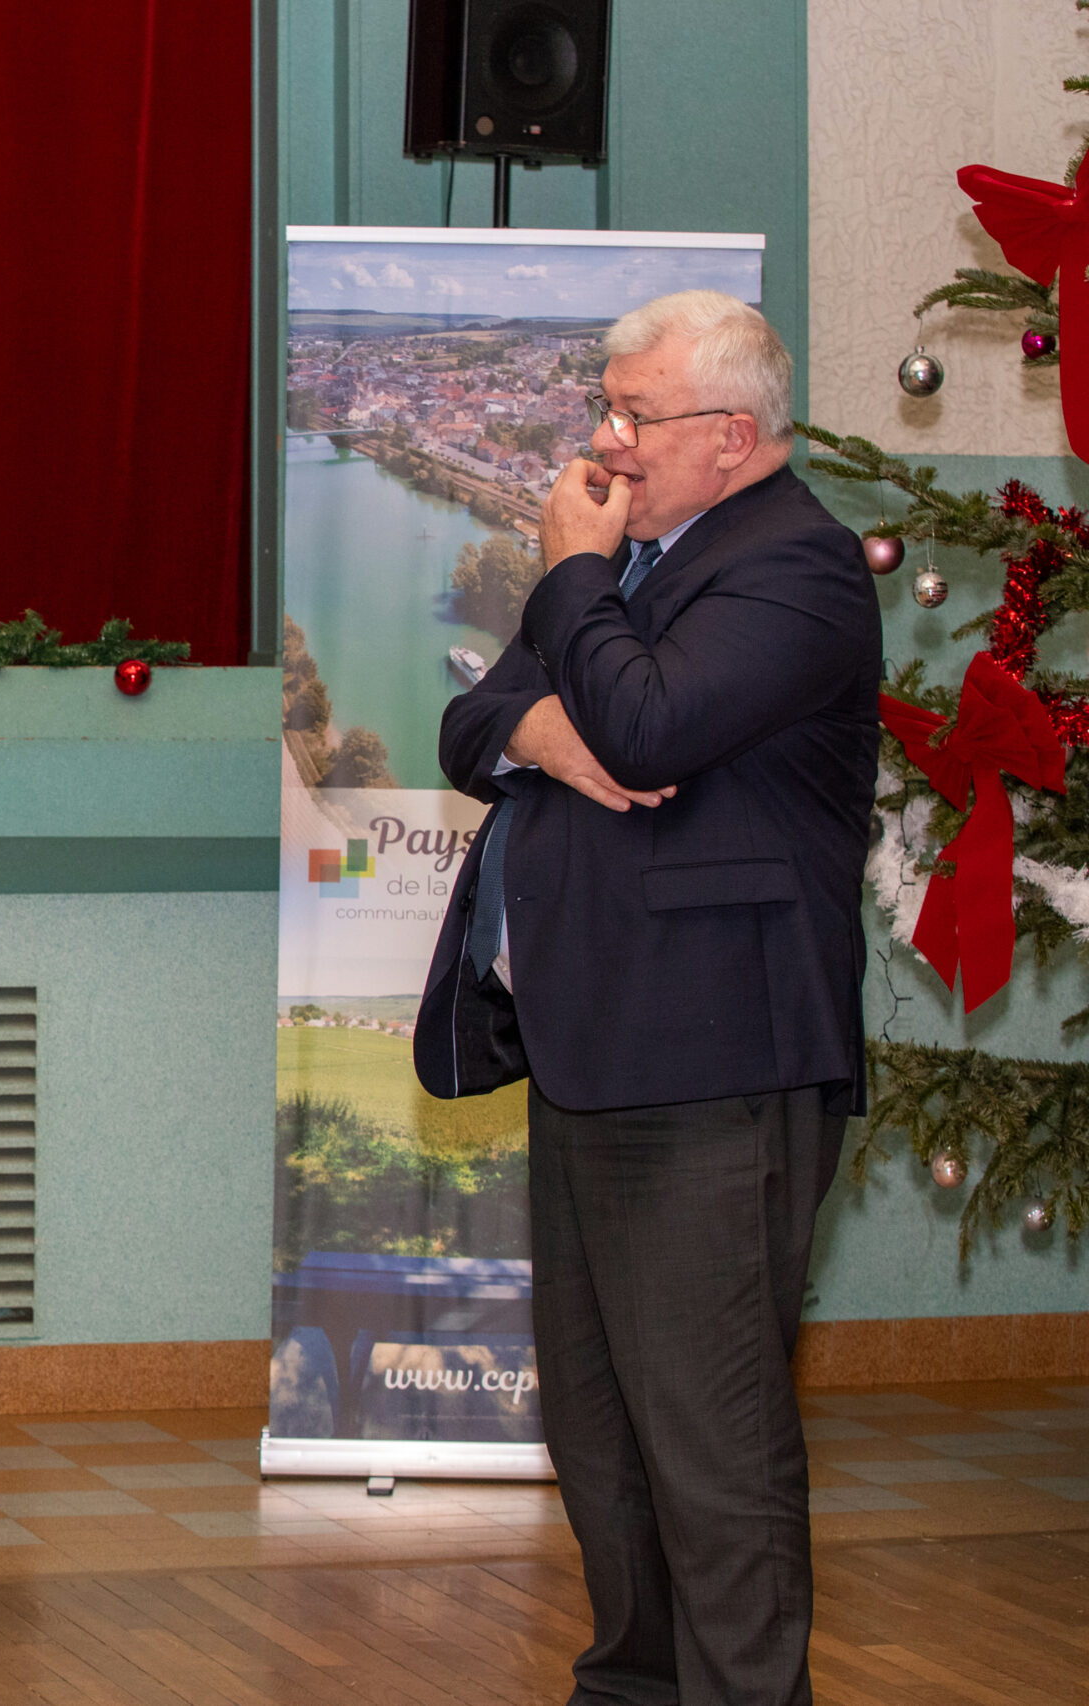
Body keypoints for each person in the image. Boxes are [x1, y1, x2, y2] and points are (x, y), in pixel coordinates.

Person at [413, 290, 880, 1706]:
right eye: (605, 409)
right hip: (590, 1042)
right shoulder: (637, 559)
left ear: (732, 434)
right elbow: (470, 723)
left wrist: (572, 577)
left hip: (716, 1062)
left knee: (710, 1438)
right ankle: (631, 1685)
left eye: (635, 414)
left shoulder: (796, 565)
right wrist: (543, 726)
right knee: (603, 1427)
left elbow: (653, 723)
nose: (606, 441)